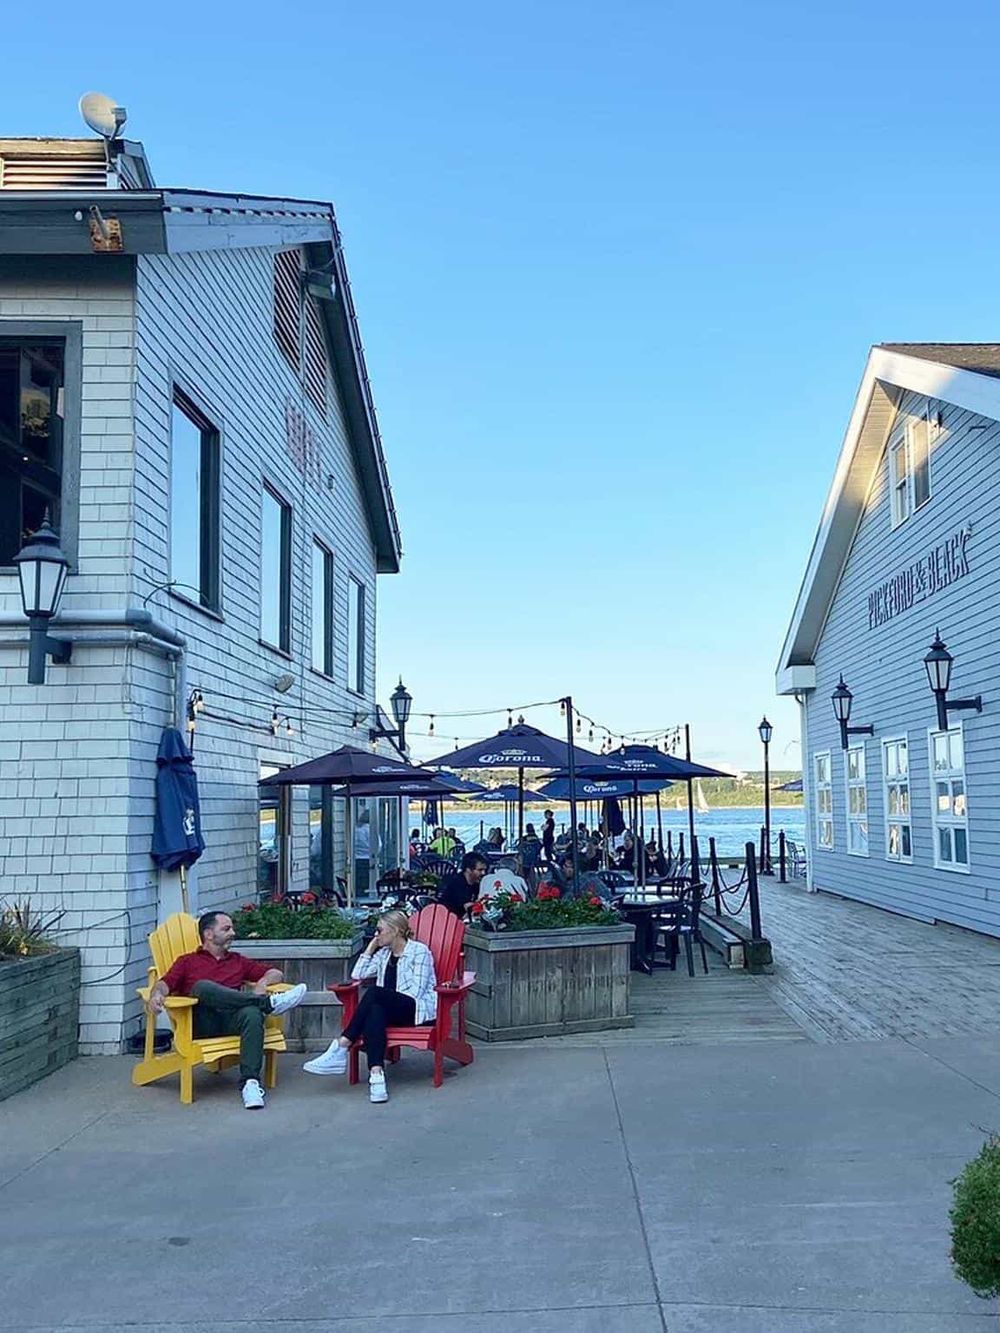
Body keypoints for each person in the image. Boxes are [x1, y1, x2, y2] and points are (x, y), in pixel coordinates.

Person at [147, 910, 307, 1110]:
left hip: (232, 1020)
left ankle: (250, 1084)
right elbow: (164, 984)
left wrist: (263, 982)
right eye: (226, 929)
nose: (233, 933)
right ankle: (267, 1004)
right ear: (209, 934)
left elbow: (276, 973)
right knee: (202, 987)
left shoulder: (237, 961)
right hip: (201, 1023)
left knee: (252, 1014)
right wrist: (156, 995)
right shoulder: (187, 961)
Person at [302, 910, 437, 1102]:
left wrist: (386, 998)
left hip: (415, 1010)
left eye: (379, 930)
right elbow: (358, 975)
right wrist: (371, 946)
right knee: (375, 1012)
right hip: (390, 1011)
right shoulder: (383, 954)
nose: (376, 934)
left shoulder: (419, 952)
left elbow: (416, 993)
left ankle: (342, 1044)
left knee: (374, 994)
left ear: (395, 931)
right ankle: (376, 1076)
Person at [437, 851, 488, 917]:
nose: (483, 873)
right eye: (480, 870)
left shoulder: (476, 884)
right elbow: (468, 907)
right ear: (468, 869)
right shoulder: (456, 883)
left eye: (484, 870)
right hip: (447, 917)